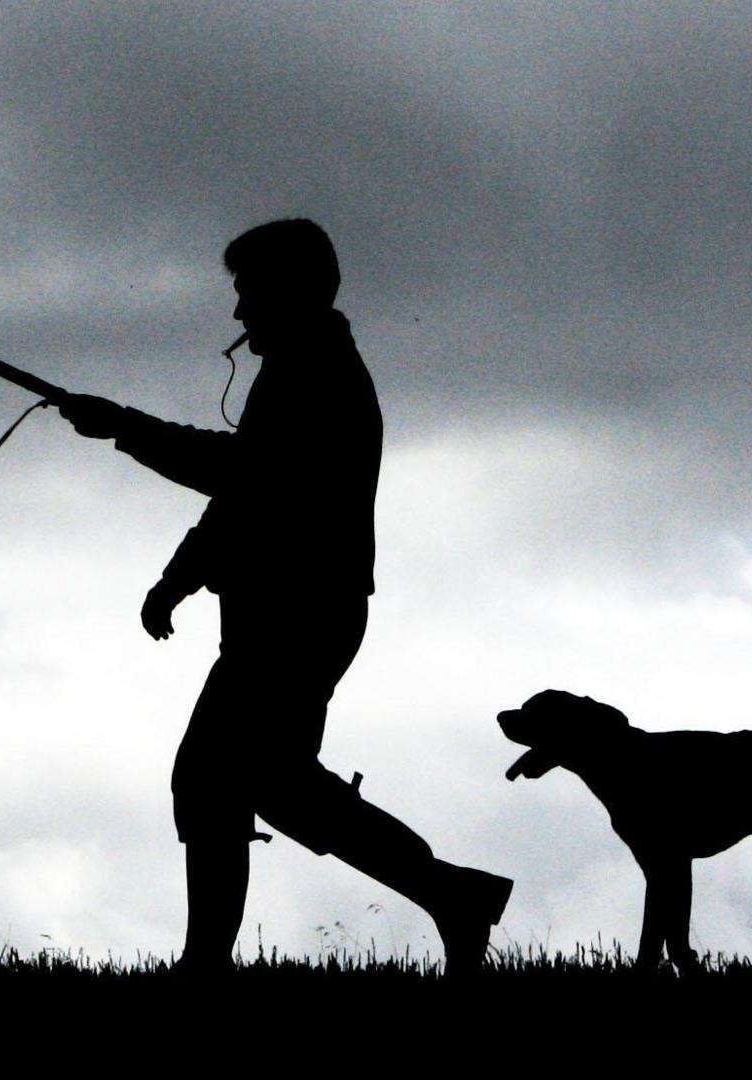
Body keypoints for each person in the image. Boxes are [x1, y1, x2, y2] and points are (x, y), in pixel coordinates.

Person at [59, 219, 512, 976]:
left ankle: (209, 963)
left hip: (297, 614)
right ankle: (450, 896)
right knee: (273, 783)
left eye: (248, 293)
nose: (238, 314)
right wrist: (181, 574)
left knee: (217, 777)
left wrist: (124, 428)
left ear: (290, 289)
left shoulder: (316, 369)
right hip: (298, 611)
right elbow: (248, 492)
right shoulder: (305, 364)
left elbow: (241, 476)